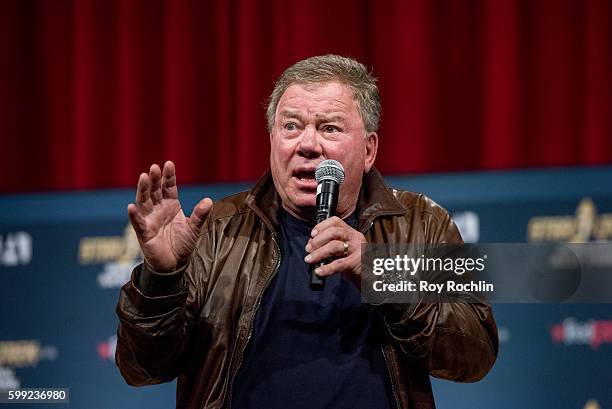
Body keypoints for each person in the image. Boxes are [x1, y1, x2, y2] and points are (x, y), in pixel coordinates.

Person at [116, 54, 498, 409]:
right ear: (271, 140)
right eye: (291, 126)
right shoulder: (217, 230)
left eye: (329, 128)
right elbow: (143, 369)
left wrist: (382, 274)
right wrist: (162, 279)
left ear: (368, 150)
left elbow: (474, 355)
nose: (307, 145)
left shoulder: (423, 223)